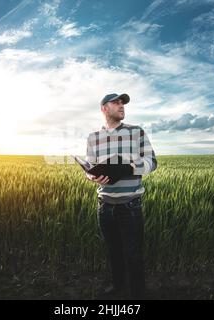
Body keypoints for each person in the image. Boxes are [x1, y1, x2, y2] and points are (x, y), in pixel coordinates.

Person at [85, 93, 157, 299]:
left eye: (122, 102)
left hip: (130, 206)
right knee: (113, 251)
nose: (121, 105)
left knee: (133, 255)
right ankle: (118, 287)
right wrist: (92, 177)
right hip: (104, 206)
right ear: (104, 109)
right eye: (115, 102)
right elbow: (90, 168)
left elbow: (153, 162)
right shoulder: (93, 137)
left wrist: (128, 168)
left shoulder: (137, 132)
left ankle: (137, 294)